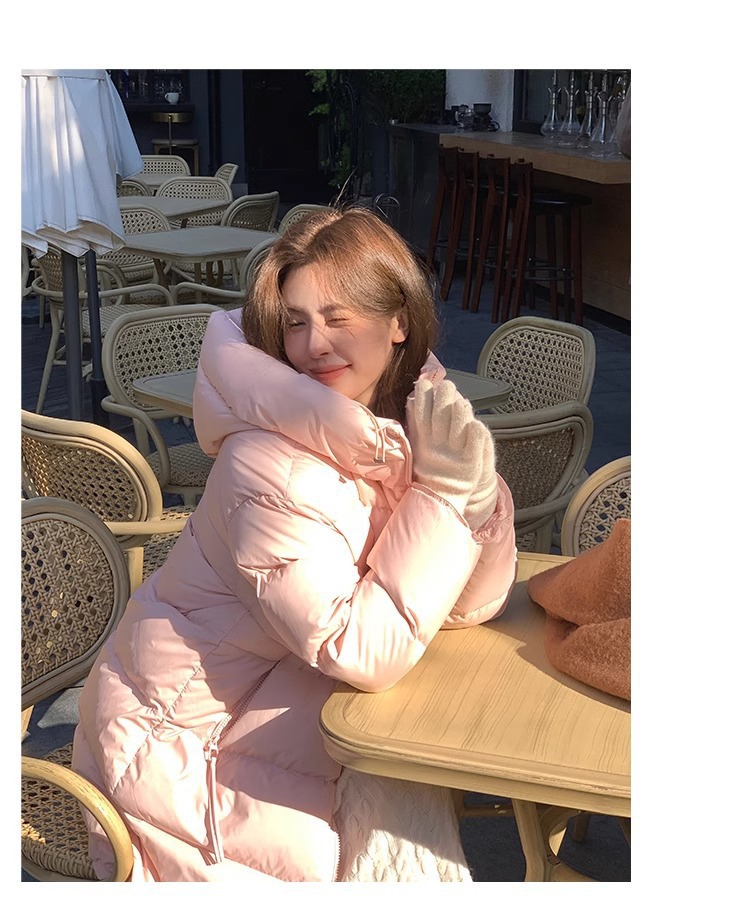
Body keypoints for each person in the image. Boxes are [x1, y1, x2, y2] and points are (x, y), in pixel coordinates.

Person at [72, 206, 518, 882]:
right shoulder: (267, 466)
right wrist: (444, 500)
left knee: (403, 796)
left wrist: (472, 500)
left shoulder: (397, 427)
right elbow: (358, 649)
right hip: (183, 753)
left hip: (276, 705)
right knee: (396, 810)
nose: (314, 345)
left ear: (399, 321)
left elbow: (464, 605)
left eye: (339, 318)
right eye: (296, 323)